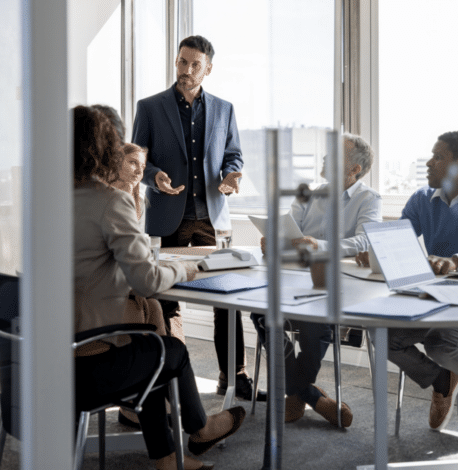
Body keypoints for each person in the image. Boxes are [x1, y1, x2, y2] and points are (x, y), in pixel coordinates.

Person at [72, 105, 245, 470]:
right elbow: (148, 279)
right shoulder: (109, 201)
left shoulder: (47, 201)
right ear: (105, 150)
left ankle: (167, 457)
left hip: (45, 358)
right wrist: (185, 268)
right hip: (88, 368)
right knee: (171, 351)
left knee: (147, 335)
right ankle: (200, 429)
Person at [357, 131, 458, 431]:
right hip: (434, 297)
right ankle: (441, 380)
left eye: (438, 157)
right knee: (381, 335)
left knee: (440, 345)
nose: (429, 163)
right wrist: (376, 254)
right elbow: (399, 241)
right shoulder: (422, 199)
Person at [132, 35, 262, 401]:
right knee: (166, 299)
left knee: (226, 297)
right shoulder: (150, 107)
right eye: (181, 62)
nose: (186, 71)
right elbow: (135, 161)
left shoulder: (224, 109)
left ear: (208, 68)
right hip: (166, 218)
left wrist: (232, 175)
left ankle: (233, 376)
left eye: (194, 65)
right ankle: (175, 377)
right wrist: (152, 175)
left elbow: (233, 156)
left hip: (211, 218)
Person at [251, 134, 380, 428]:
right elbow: (289, 229)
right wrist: (274, 241)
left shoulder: (369, 199)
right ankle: (307, 392)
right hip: (293, 276)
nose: (324, 158)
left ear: (354, 169)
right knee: (260, 311)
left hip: (332, 282)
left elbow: (365, 239)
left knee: (314, 321)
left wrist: (320, 245)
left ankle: (297, 392)